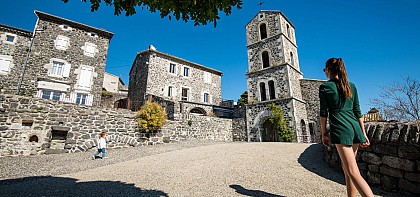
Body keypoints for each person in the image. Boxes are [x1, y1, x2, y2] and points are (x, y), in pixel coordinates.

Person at [319, 58, 373, 197]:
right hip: (354, 127)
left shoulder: (325, 87)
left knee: (352, 171)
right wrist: (363, 133)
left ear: (329, 70)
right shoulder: (352, 86)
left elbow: (323, 113)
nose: (324, 72)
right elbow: (358, 111)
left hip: (341, 128)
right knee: (348, 169)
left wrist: (324, 132)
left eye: (325, 69)